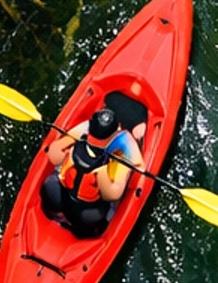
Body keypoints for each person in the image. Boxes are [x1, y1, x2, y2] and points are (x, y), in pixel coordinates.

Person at [42, 101, 147, 238]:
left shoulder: (84, 131)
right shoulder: (123, 143)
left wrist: (69, 157)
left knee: (50, 184)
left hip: (61, 194)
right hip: (87, 212)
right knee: (101, 211)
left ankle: (60, 217)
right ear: (117, 130)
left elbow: (54, 155)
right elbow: (111, 195)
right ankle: (81, 227)